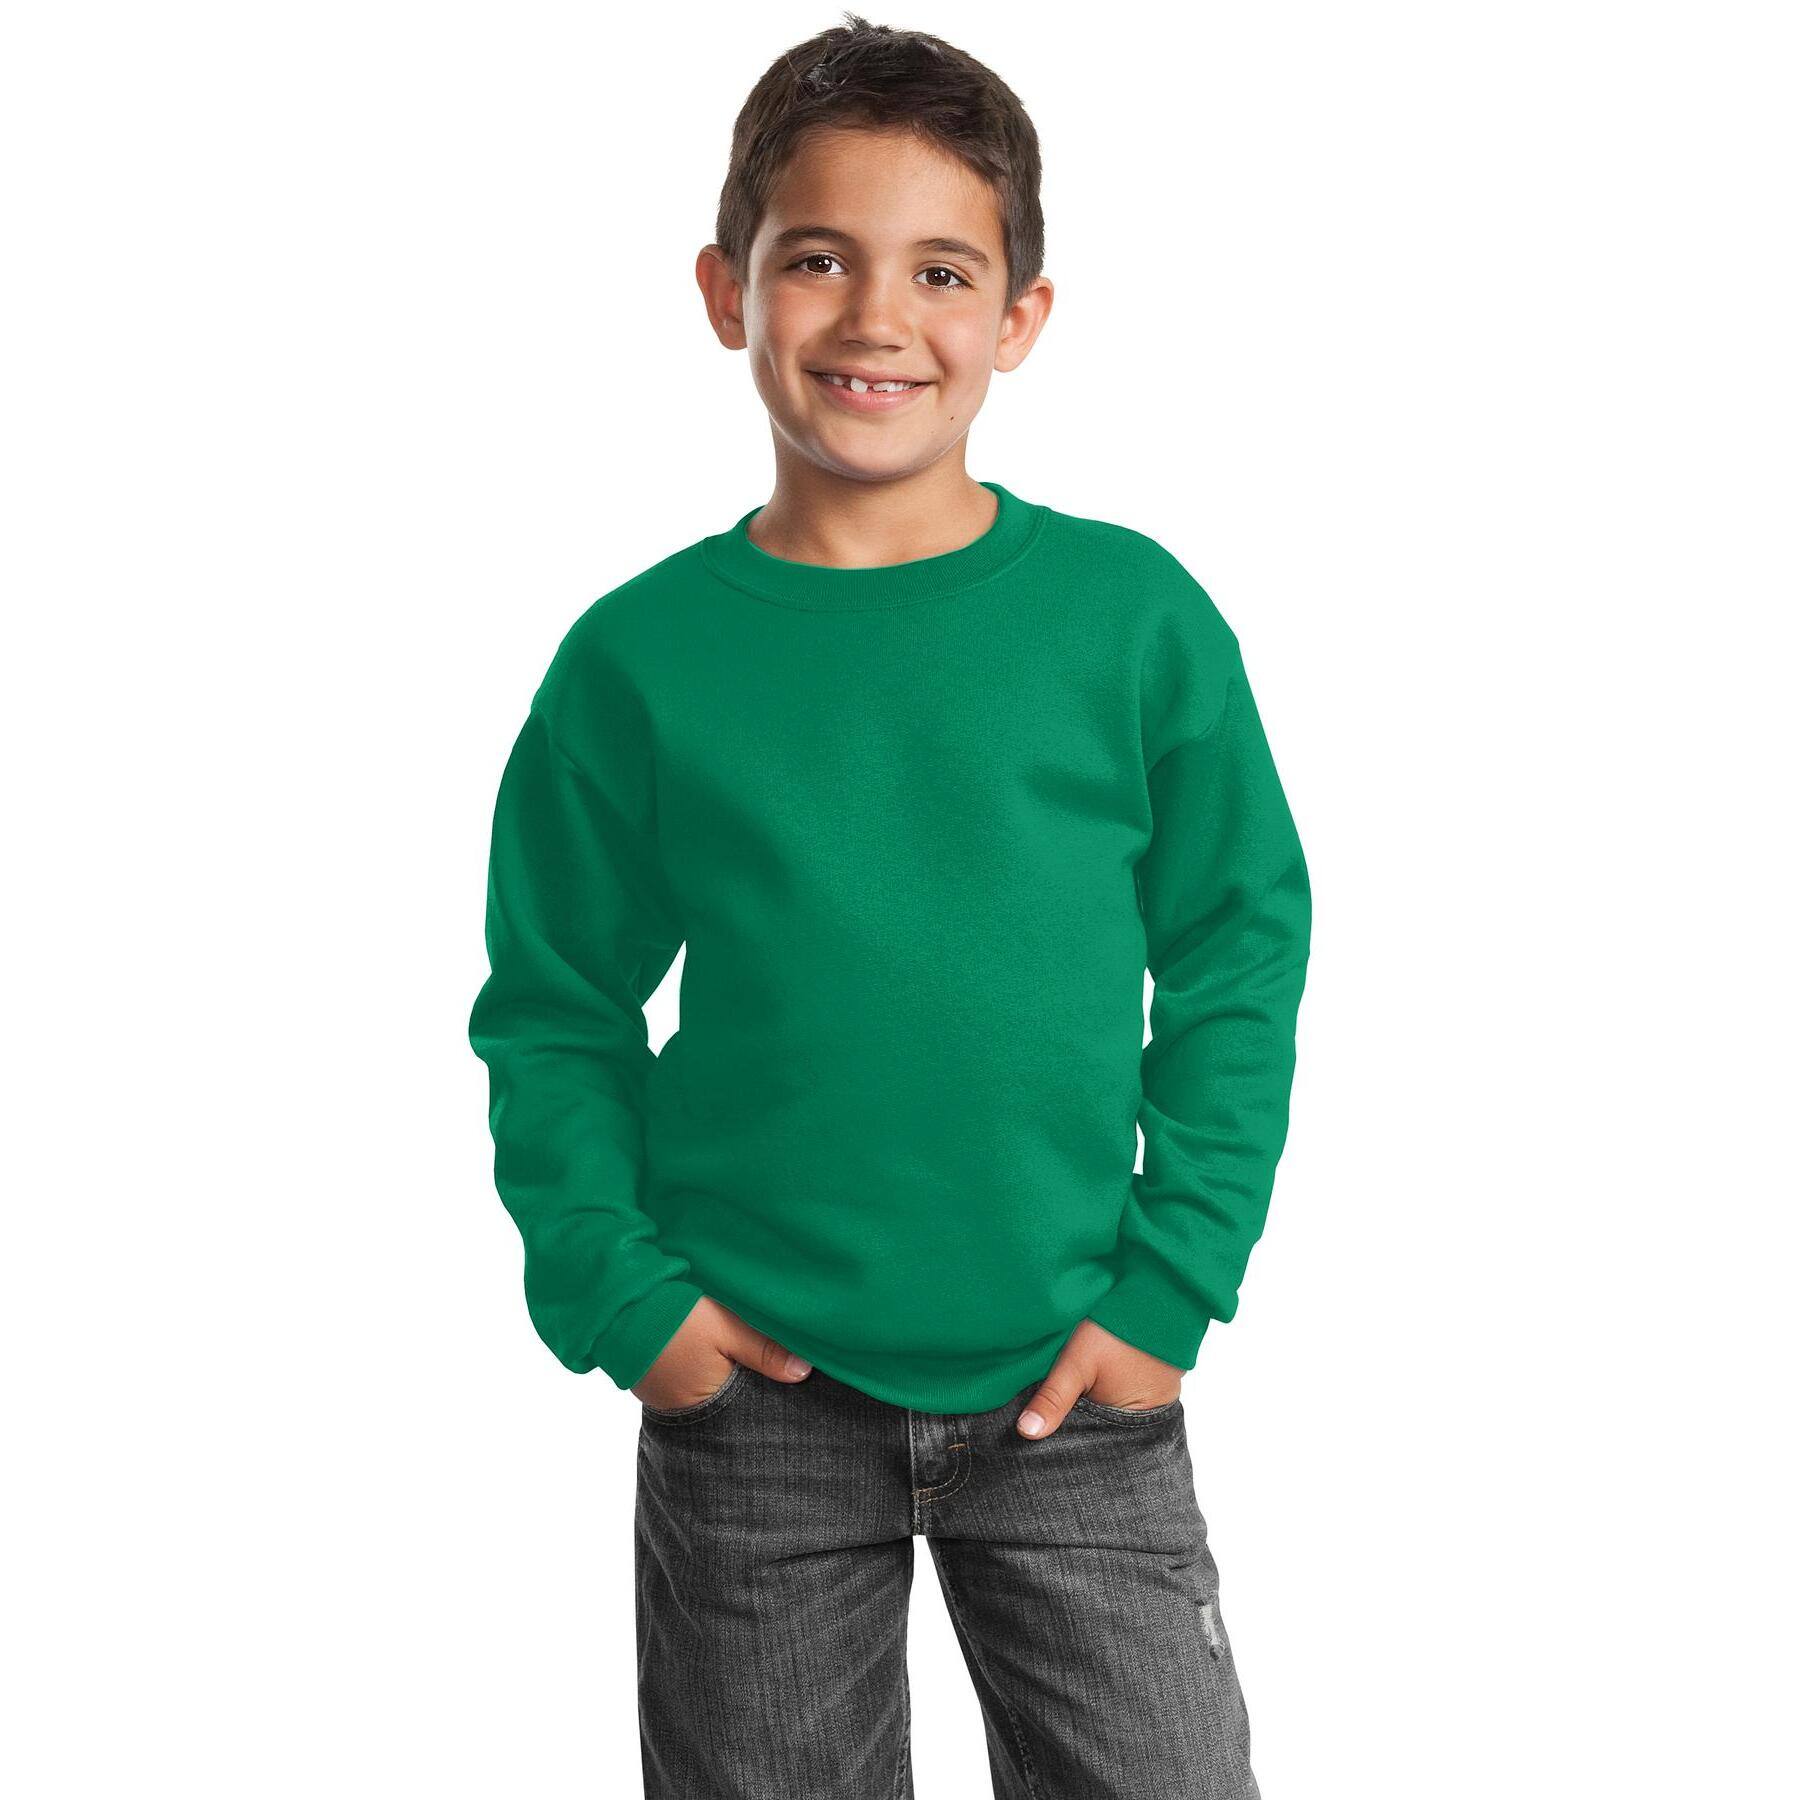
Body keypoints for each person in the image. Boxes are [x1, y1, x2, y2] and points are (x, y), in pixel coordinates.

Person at [468, 14, 1311, 1797]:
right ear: (728, 291)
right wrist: (623, 1299)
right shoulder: (639, 661)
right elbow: (553, 1003)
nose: (875, 318)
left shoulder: (1132, 618)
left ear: (1020, 316)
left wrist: (1174, 1283)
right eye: (818, 259)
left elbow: (1238, 945)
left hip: (1077, 1382)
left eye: (941, 270)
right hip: (756, 1399)